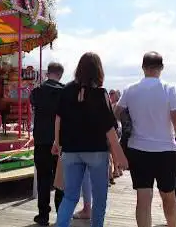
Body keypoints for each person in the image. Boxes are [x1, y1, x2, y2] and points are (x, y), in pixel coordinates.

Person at [115, 51, 176, 227]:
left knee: (143, 198)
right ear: (161, 68)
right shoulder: (169, 89)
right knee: (168, 196)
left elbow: (117, 112)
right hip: (166, 151)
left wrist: (129, 121)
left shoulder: (130, 89)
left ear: (143, 67)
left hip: (138, 149)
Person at [53, 52, 128, 227]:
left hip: (71, 151)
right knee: (100, 199)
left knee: (70, 196)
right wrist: (120, 156)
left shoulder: (66, 90)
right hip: (96, 151)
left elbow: (58, 119)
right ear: (98, 71)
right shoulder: (100, 93)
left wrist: (57, 143)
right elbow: (109, 128)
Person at [31, 62, 65, 226]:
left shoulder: (37, 92)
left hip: (41, 140)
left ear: (47, 73)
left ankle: (43, 215)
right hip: (60, 142)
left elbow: (33, 108)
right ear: (60, 75)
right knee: (60, 180)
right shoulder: (65, 92)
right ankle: (61, 213)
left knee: (43, 179)